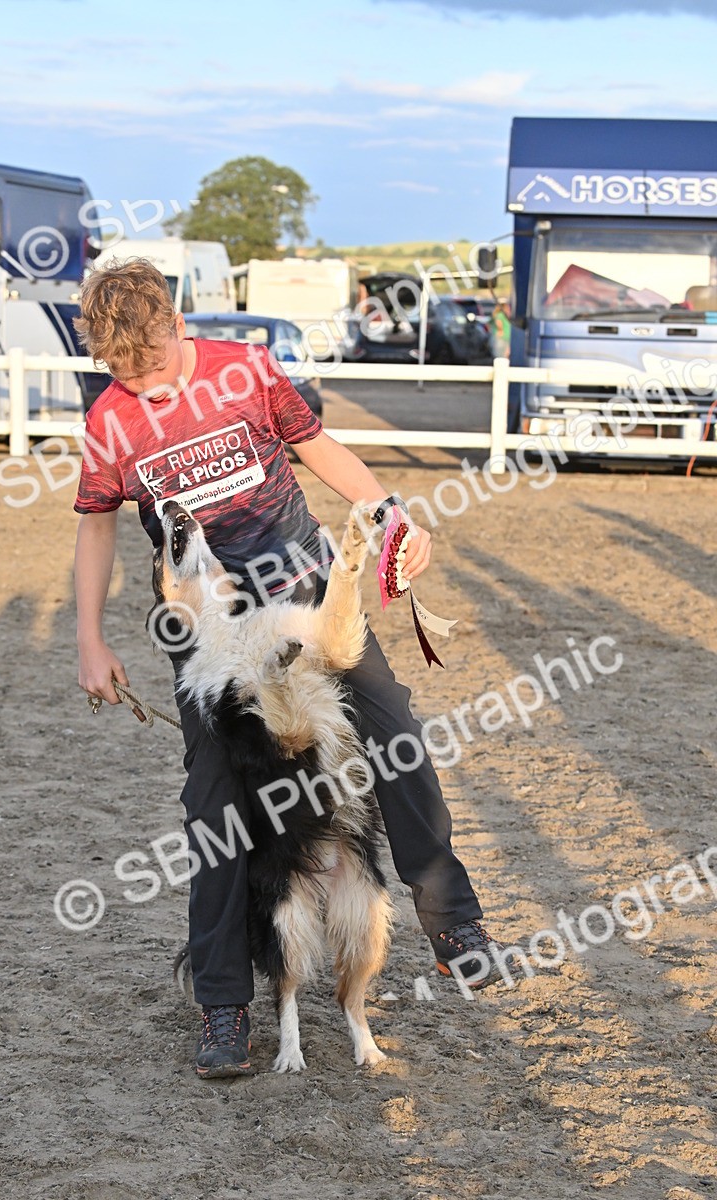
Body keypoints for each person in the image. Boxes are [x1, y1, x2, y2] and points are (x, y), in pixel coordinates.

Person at [73, 258, 518, 1079]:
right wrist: (89, 638)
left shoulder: (246, 369)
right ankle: (224, 1006)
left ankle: (454, 924)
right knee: (214, 807)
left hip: (306, 593)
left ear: (178, 325)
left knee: (396, 733)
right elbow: (96, 523)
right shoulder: (108, 422)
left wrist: (391, 514)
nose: (150, 386)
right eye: (128, 375)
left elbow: (317, 447)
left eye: (157, 364)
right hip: (208, 627)